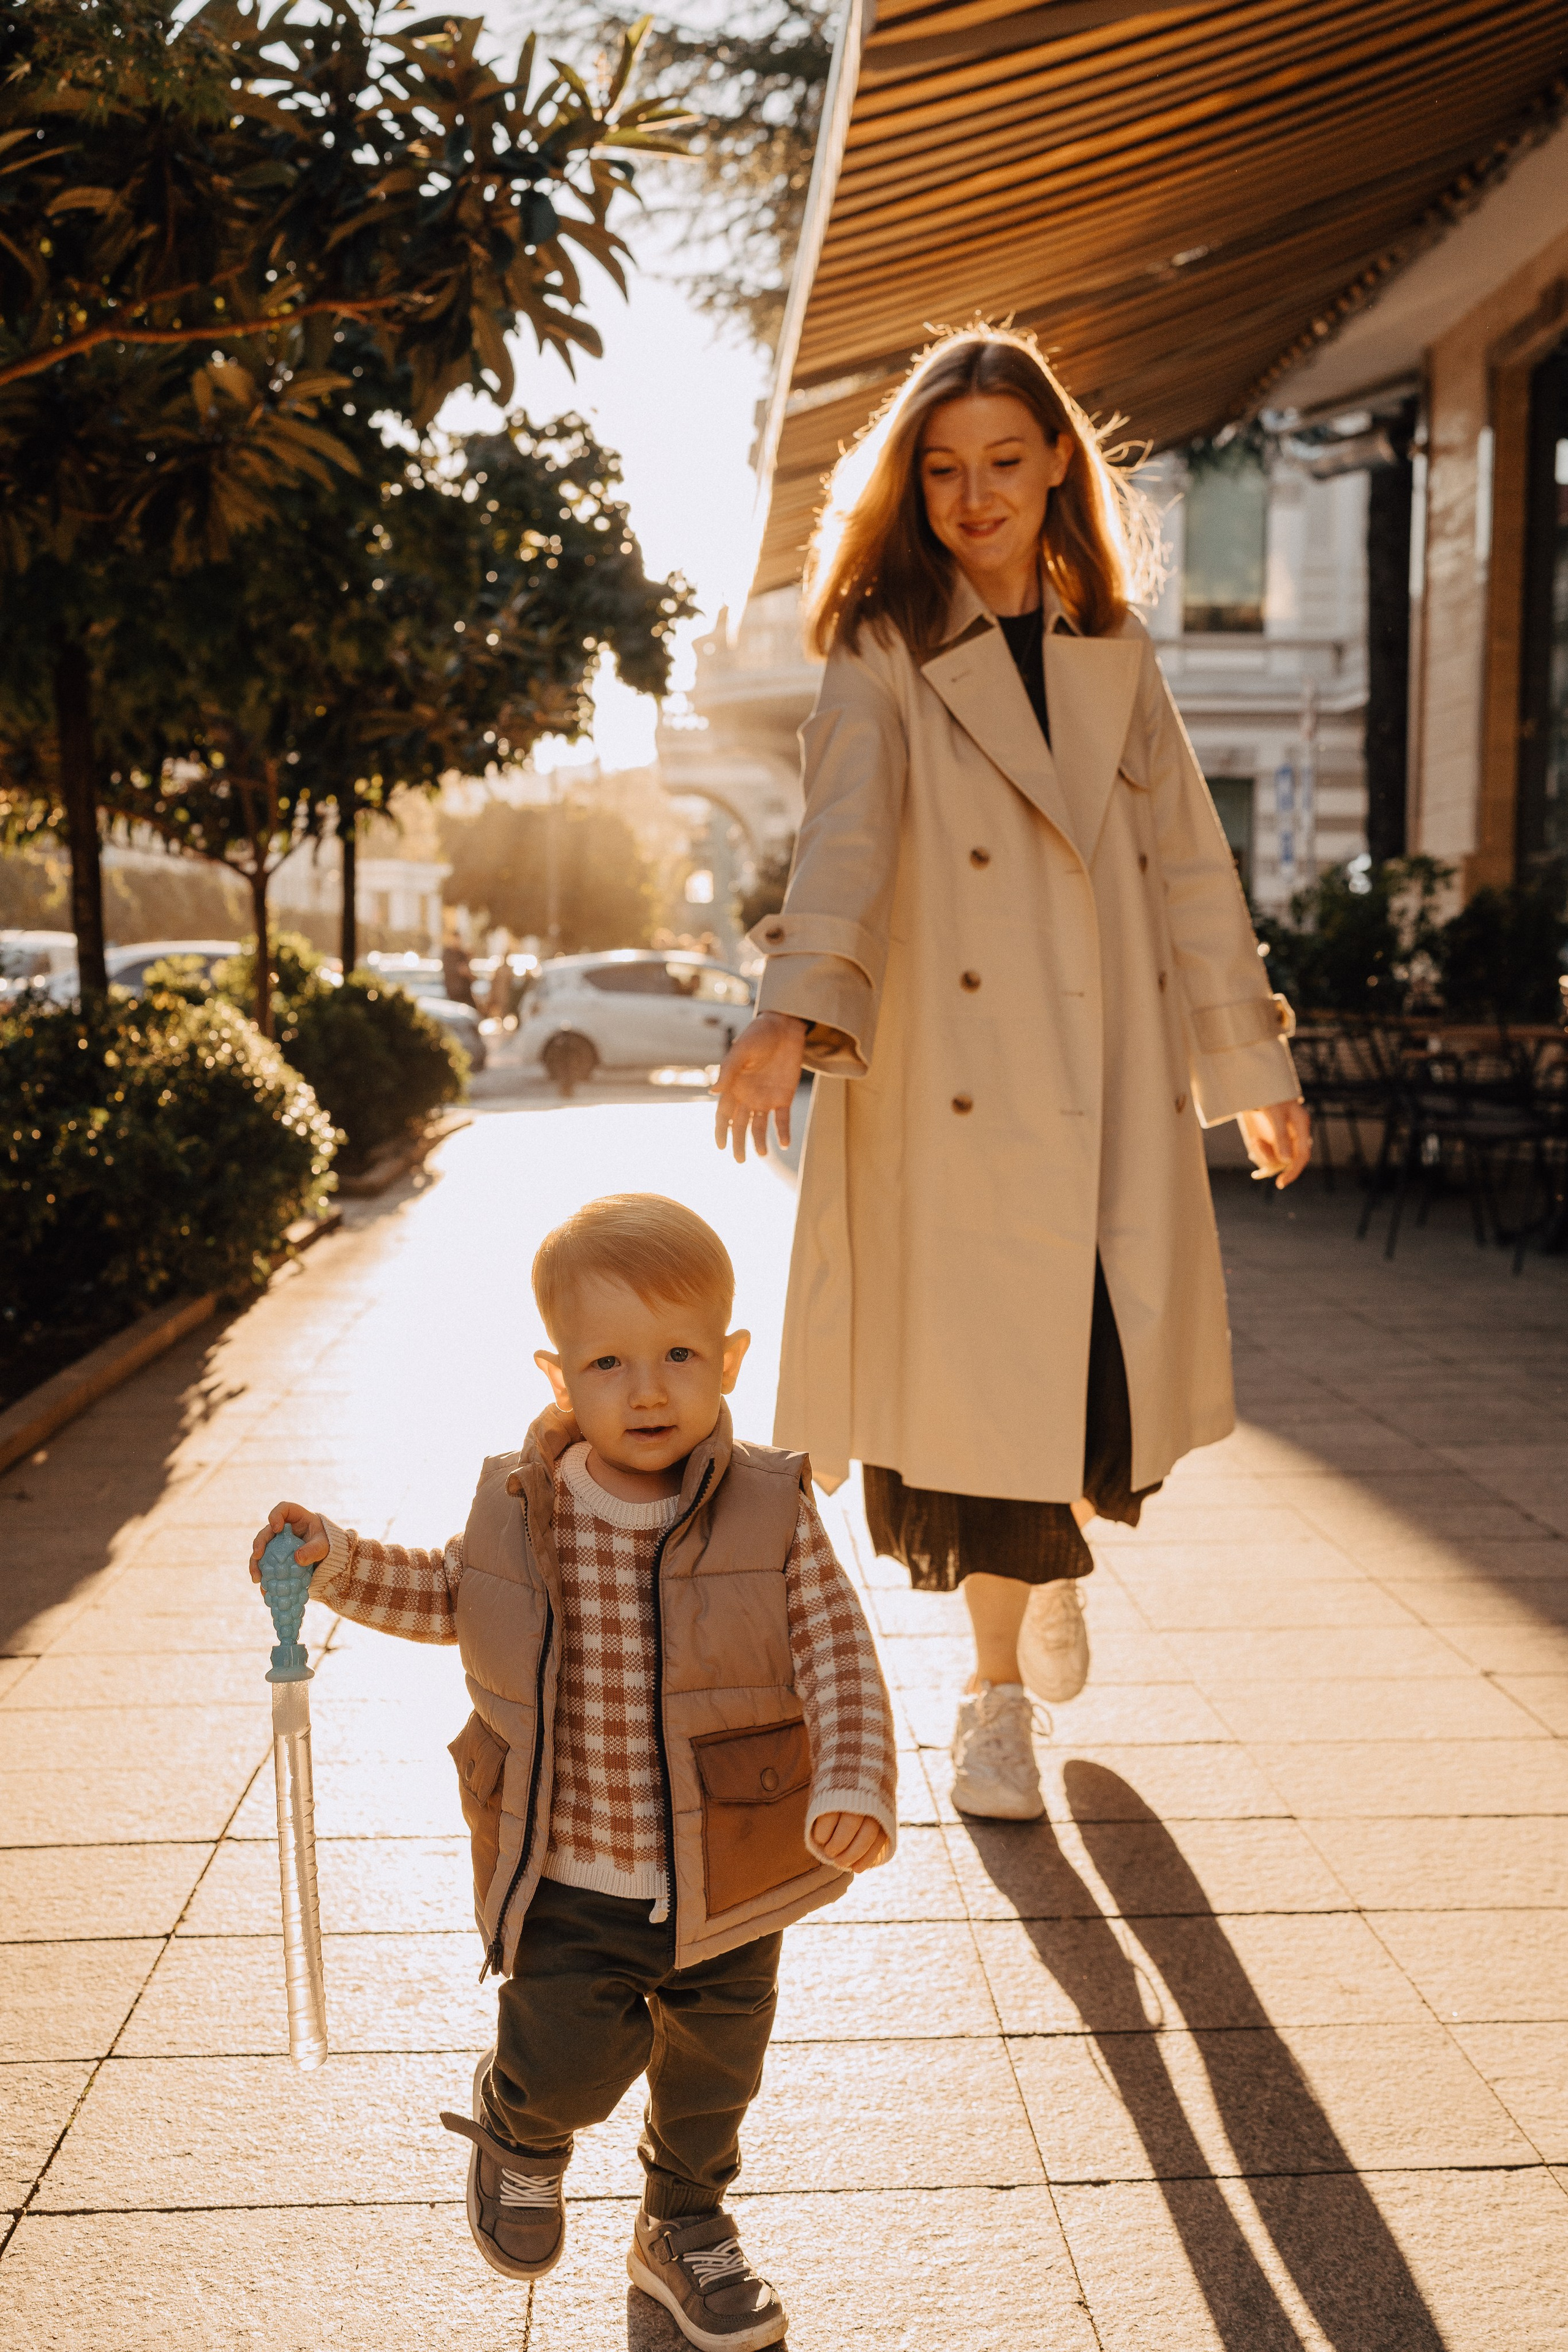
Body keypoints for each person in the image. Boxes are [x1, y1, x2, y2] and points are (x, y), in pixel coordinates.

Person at [713, 327, 1310, 1824]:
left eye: (1000, 461)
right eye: (942, 467)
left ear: (1056, 464)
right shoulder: (882, 645)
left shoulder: (1116, 651)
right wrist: (790, 1011)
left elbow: (1190, 868)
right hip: (958, 1086)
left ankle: (1044, 1571)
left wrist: (1249, 1068)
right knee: (983, 1410)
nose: (972, 495)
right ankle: (990, 1696)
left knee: (1084, 1386)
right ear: (911, 486)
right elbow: (840, 842)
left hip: (1101, 1087)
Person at [248, 1194, 895, 2352]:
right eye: (610, 1362)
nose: (648, 1391)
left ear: (731, 1358)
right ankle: (520, 2128)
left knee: (714, 2082)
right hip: (569, 1872)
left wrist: (852, 1782)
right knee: (567, 2061)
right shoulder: (521, 1507)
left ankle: (684, 2227)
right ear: (560, 1378)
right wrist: (335, 1561)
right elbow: (448, 1594)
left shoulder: (774, 1509)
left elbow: (837, 1652)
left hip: (732, 1878)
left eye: (680, 1356)